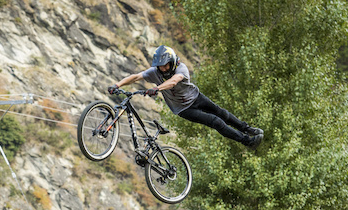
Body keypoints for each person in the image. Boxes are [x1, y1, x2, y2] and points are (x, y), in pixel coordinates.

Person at [108, 45, 264, 149]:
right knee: (215, 121)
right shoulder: (155, 72)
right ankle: (248, 142)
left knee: (222, 113)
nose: (163, 69)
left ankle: (248, 129)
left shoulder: (181, 68)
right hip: (183, 109)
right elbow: (136, 77)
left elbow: (174, 81)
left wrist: (157, 88)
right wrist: (117, 85)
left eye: (165, 65)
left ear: (172, 62)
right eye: (160, 67)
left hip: (196, 98)